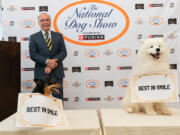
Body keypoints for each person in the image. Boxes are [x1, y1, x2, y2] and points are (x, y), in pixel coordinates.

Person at [29, 12, 67, 100]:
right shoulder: (33, 37)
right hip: (42, 73)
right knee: (41, 101)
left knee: (57, 100)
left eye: (47, 20)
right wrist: (47, 62)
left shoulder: (59, 36)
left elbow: (63, 52)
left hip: (57, 73)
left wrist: (52, 63)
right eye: (42, 20)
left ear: (50, 21)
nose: (45, 22)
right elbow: (33, 55)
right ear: (38, 23)